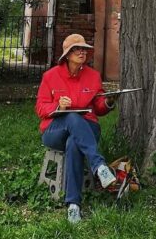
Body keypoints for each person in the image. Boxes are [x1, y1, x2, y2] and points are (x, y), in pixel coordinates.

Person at [35, 33, 118, 223]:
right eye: (77, 49)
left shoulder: (93, 76)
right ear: (67, 54)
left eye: (84, 49)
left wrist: (108, 102)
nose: (82, 52)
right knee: (71, 116)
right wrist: (59, 107)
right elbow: (40, 108)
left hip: (87, 128)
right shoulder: (50, 76)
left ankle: (73, 205)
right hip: (55, 130)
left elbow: (98, 107)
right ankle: (99, 166)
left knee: (74, 143)